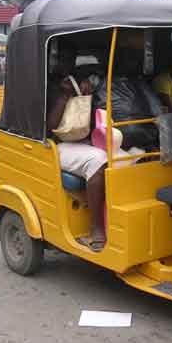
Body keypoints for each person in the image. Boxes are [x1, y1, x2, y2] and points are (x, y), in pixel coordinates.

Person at [47, 43, 107, 253]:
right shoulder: (50, 85)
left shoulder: (84, 80)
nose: (66, 63)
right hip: (57, 145)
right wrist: (65, 97)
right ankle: (96, 227)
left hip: (84, 140)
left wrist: (86, 95)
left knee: (132, 155)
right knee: (98, 159)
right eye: (62, 58)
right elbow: (51, 126)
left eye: (71, 58)